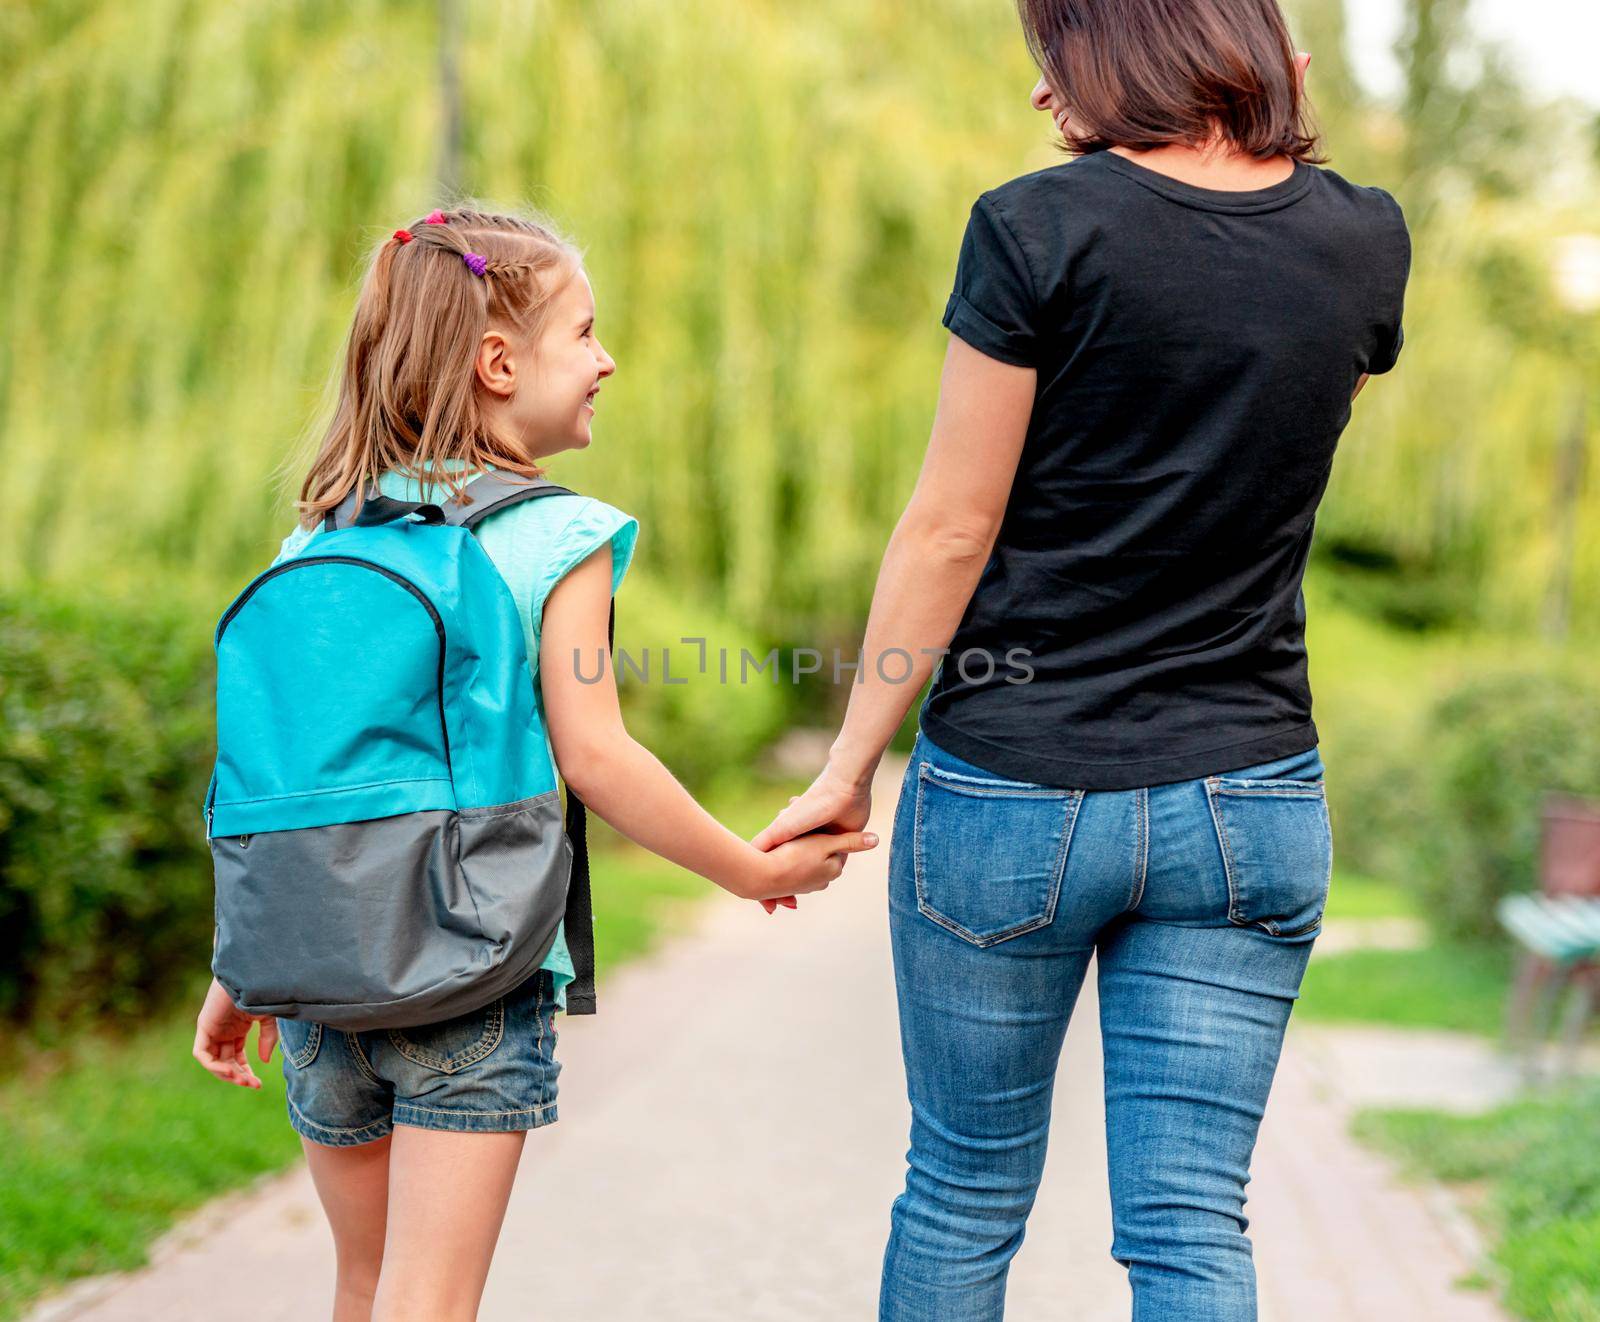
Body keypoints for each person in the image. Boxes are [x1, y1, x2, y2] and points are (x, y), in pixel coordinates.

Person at [753, 0, 1411, 1317]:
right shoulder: (1363, 235)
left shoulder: (1035, 227)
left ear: (1128, 51)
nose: (1047, 102)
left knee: (962, 1188)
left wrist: (850, 759)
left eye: (1057, 65)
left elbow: (952, 524)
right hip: (1251, 793)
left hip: (1016, 783)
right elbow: (1274, 451)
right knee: (1188, 1221)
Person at [191, 206, 877, 1322]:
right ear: (499, 362)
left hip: (317, 985)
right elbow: (596, 757)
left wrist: (241, 968)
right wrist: (752, 872)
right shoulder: (556, 535)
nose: (608, 360)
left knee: (365, 1286)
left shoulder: (316, 539)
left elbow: (290, 782)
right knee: (433, 1298)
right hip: (468, 970)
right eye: (587, 333)